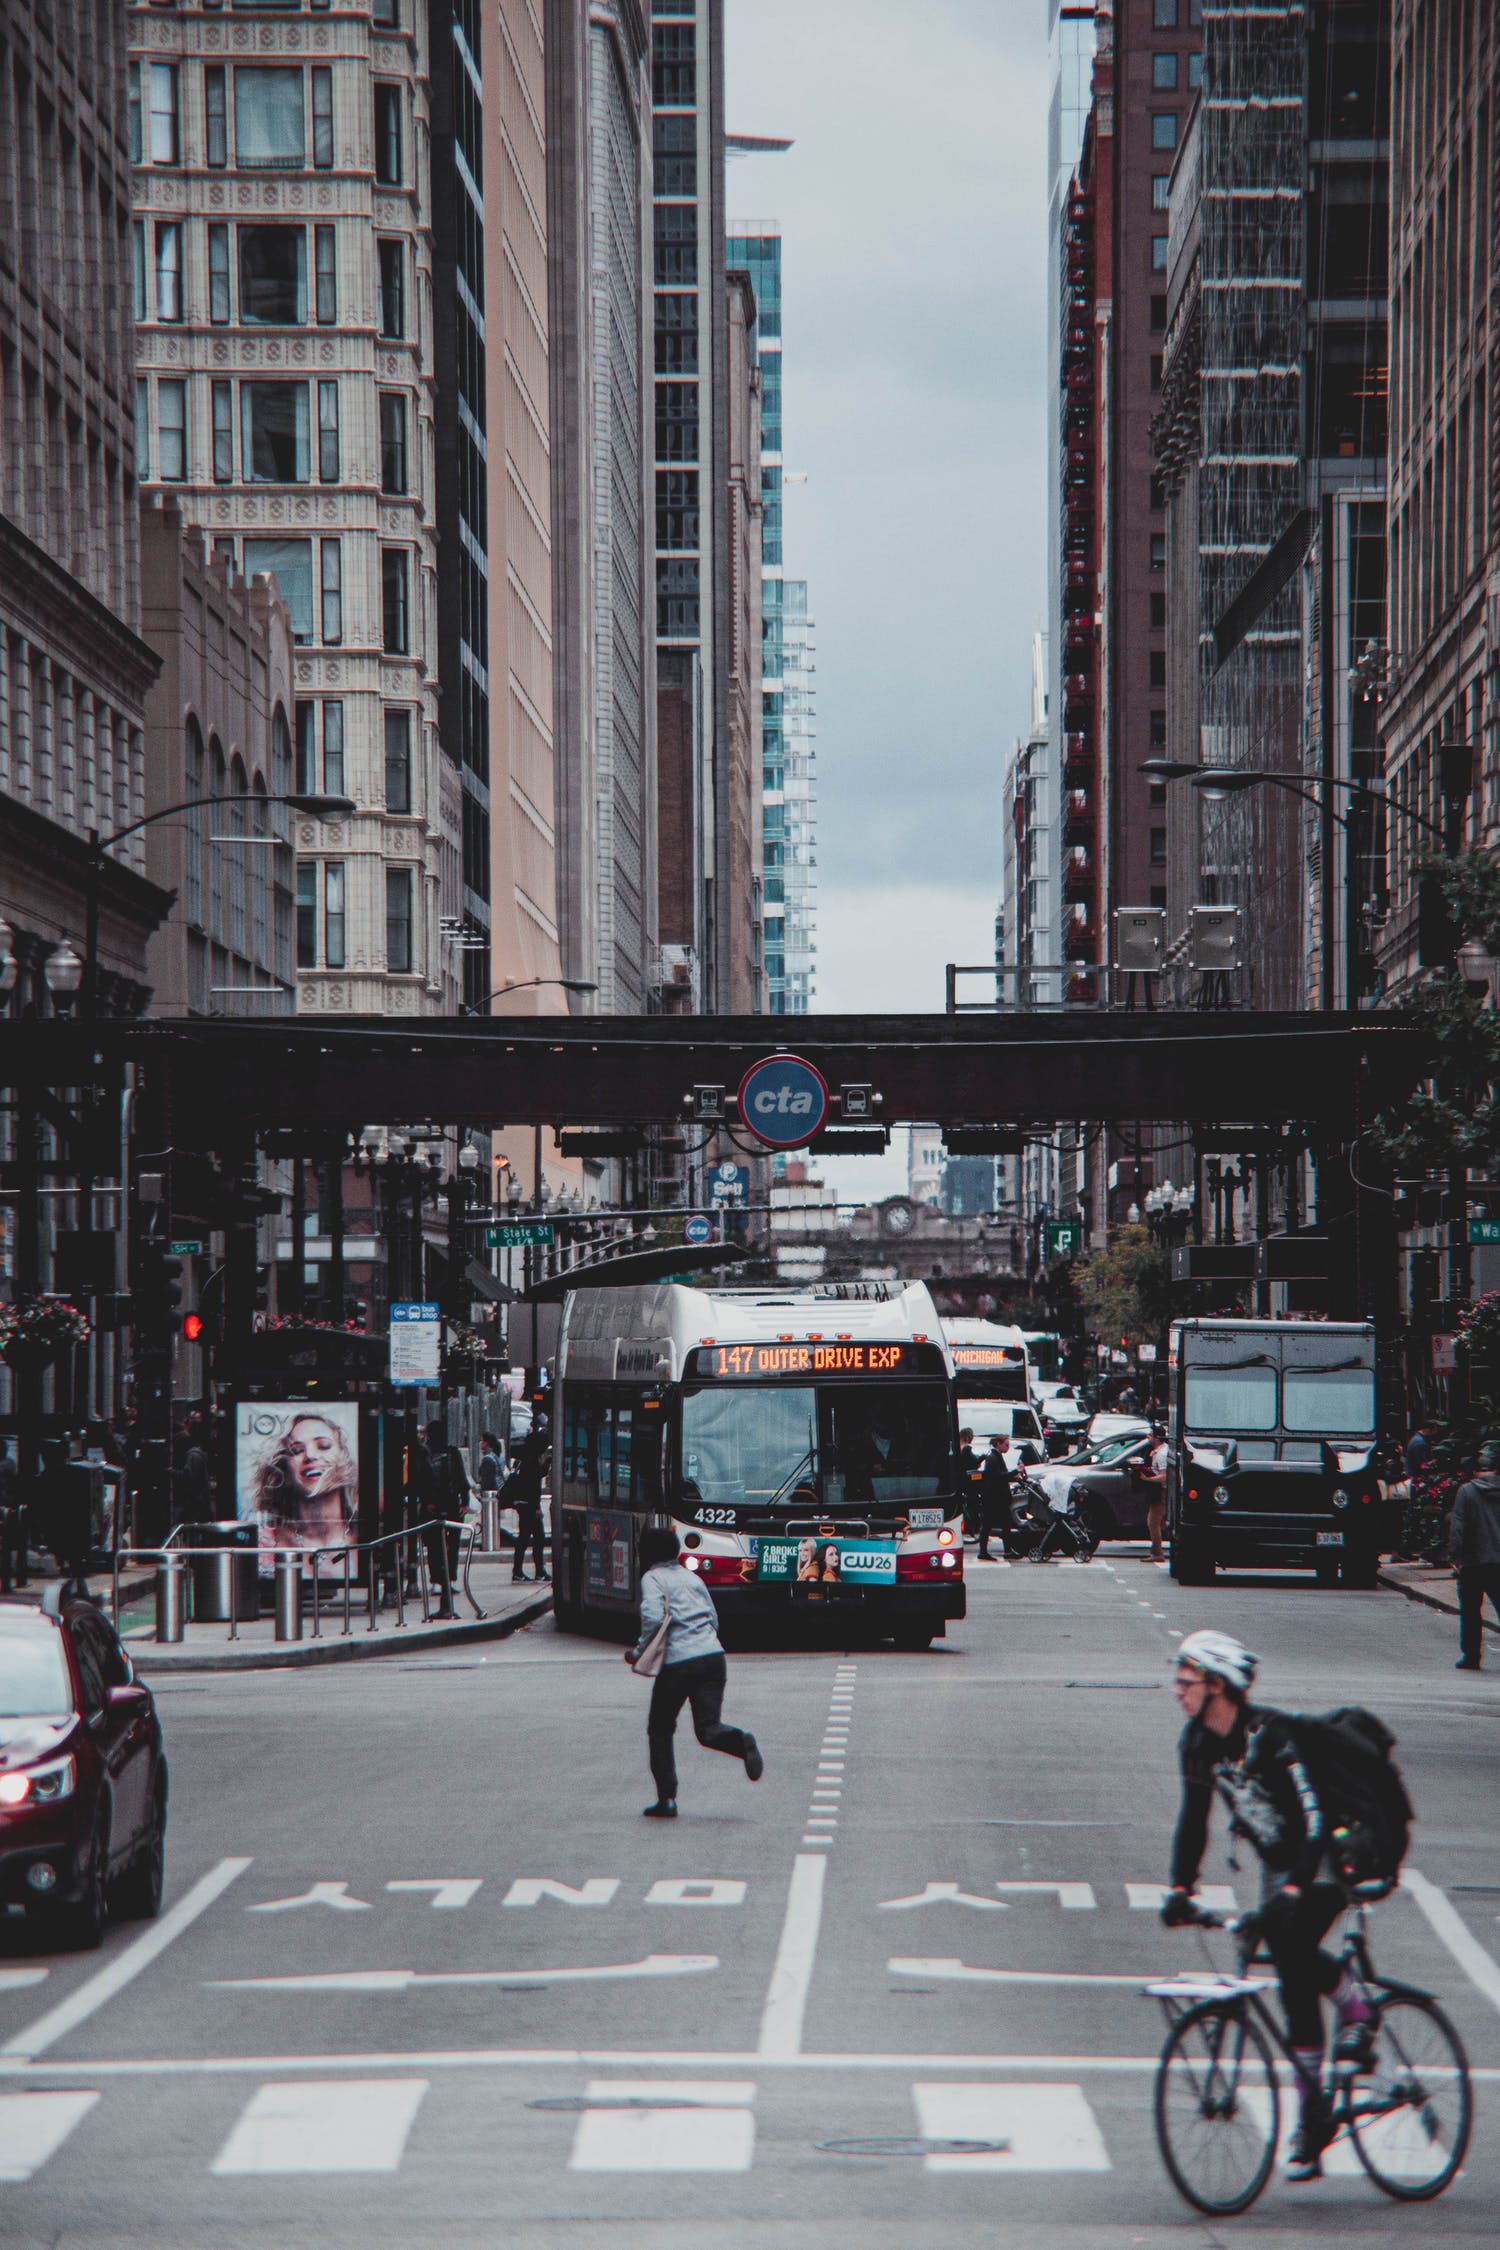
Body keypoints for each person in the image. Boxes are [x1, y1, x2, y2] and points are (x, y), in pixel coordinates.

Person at [1161, 1629, 1374, 2180]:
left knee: (1291, 1945)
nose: (1176, 1690)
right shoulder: (1197, 1743)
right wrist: (1180, 1888)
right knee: (1288, 1974)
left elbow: (1314, 1820)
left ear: (1218, 1686)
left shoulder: (1272, 1737)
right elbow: (1193, 1820)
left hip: (1324, 1854)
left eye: (1186, 1682)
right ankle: (1314, 2112)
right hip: (1278, 1862)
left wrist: (1296, 1889)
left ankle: (1355, 2005)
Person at [626, 1525, 762, 1817]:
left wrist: (638, 1653)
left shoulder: (653, 1578)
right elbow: (712, 1616)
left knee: (660, 1728)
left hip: (678, 1663)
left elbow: (651, 1617)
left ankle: (667, 1799)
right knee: (708, 1729)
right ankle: (741, 1741)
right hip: (713, 1657)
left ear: (646, 1553)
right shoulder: (693, 1577)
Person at [1448, 1440, 1500, 1670]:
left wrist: (1455, 1556)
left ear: (1476, 1470)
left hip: (1472, 1561)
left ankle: (1471, 1656)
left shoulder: (1467, 1492)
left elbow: (1458, 1526)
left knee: (1470, 1611)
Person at [423, 1418, 469, 1618]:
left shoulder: (429, 1453)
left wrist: (427, 1501)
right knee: (446, 1544)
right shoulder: (450, 1453)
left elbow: (420, 1479)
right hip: (450, 1504)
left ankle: (442, 1579)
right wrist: (464, 1501)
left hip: (440, 1506)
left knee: (438, 1545)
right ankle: (446, 1579)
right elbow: (462, 1478)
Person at [507, 1418, 550, 1582]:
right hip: (529, 1505)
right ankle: (537, 1570)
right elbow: (533, 1487)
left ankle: (519, 1570)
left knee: (524, 1538)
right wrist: (536, 1508)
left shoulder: (524, 1459)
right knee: (537, 1538)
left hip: (521, 1503)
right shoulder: (532, 1462)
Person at [977, 1434, 1013, 1560]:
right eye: (1006, 1444)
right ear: (998, 1444)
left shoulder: (996, 1457)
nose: (1008, 1447)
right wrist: (1013, 1473)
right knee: (988, 1525)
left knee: (1004, 1524)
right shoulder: (993, 1458)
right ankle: (983, 1551)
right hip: (994, 1498)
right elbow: (998, 1477)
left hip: (996, 1497)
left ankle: (1007, 1550)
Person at [1137, 1422, 1169, 1564]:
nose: (1148, 1437)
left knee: (1153, 1522)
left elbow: (1164, 1476)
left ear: (1156, 1438)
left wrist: (1147, 1478)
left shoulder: (1161, 1454)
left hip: (1161, 1491)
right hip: (1159, 1491)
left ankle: (1157, 1553)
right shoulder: (1158, 1452)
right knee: (1159, 1523)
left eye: (1150, 1435)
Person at [957, 1427, 982, 1540]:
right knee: (971, 1506)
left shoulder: (958, 1447)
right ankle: (971, 1528)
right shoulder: (966, 1449)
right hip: (968, 1484)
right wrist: (981, 1458)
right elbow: (974, 1463)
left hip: (961, 1481)